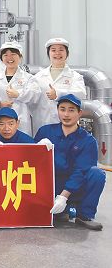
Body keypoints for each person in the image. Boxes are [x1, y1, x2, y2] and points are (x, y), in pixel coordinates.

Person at [35, 94, 105, 230]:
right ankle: (61, 212)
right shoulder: (45, 131)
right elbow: (29, 159)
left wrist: (63, 196)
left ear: (80, 113)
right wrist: (37, 147)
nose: (66, 114)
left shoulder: (88, 140)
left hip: (74, 188)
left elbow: (81, 171)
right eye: (62, 109)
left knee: (97, 174)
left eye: (71, 110)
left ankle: (84, 215)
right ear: (58, 110)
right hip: (50, 185)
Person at [32, 38, 87, 134]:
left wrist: (58, 93)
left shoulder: (75, 76)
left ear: (67, 53)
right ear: (48, 54)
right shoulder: (38, 77)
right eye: (53, 50)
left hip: (67, 125)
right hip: (43, 124)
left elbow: (81, 94)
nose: (57, 53)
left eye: (61, 50)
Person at [0, 41, 39, 136]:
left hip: (21, 123)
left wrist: (18, 94)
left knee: (20, 144)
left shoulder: (29, 78)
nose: (9, 58)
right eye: (5, 55)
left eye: (13, 54)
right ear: (1, 59)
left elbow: (35, 96)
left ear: (20, 57)